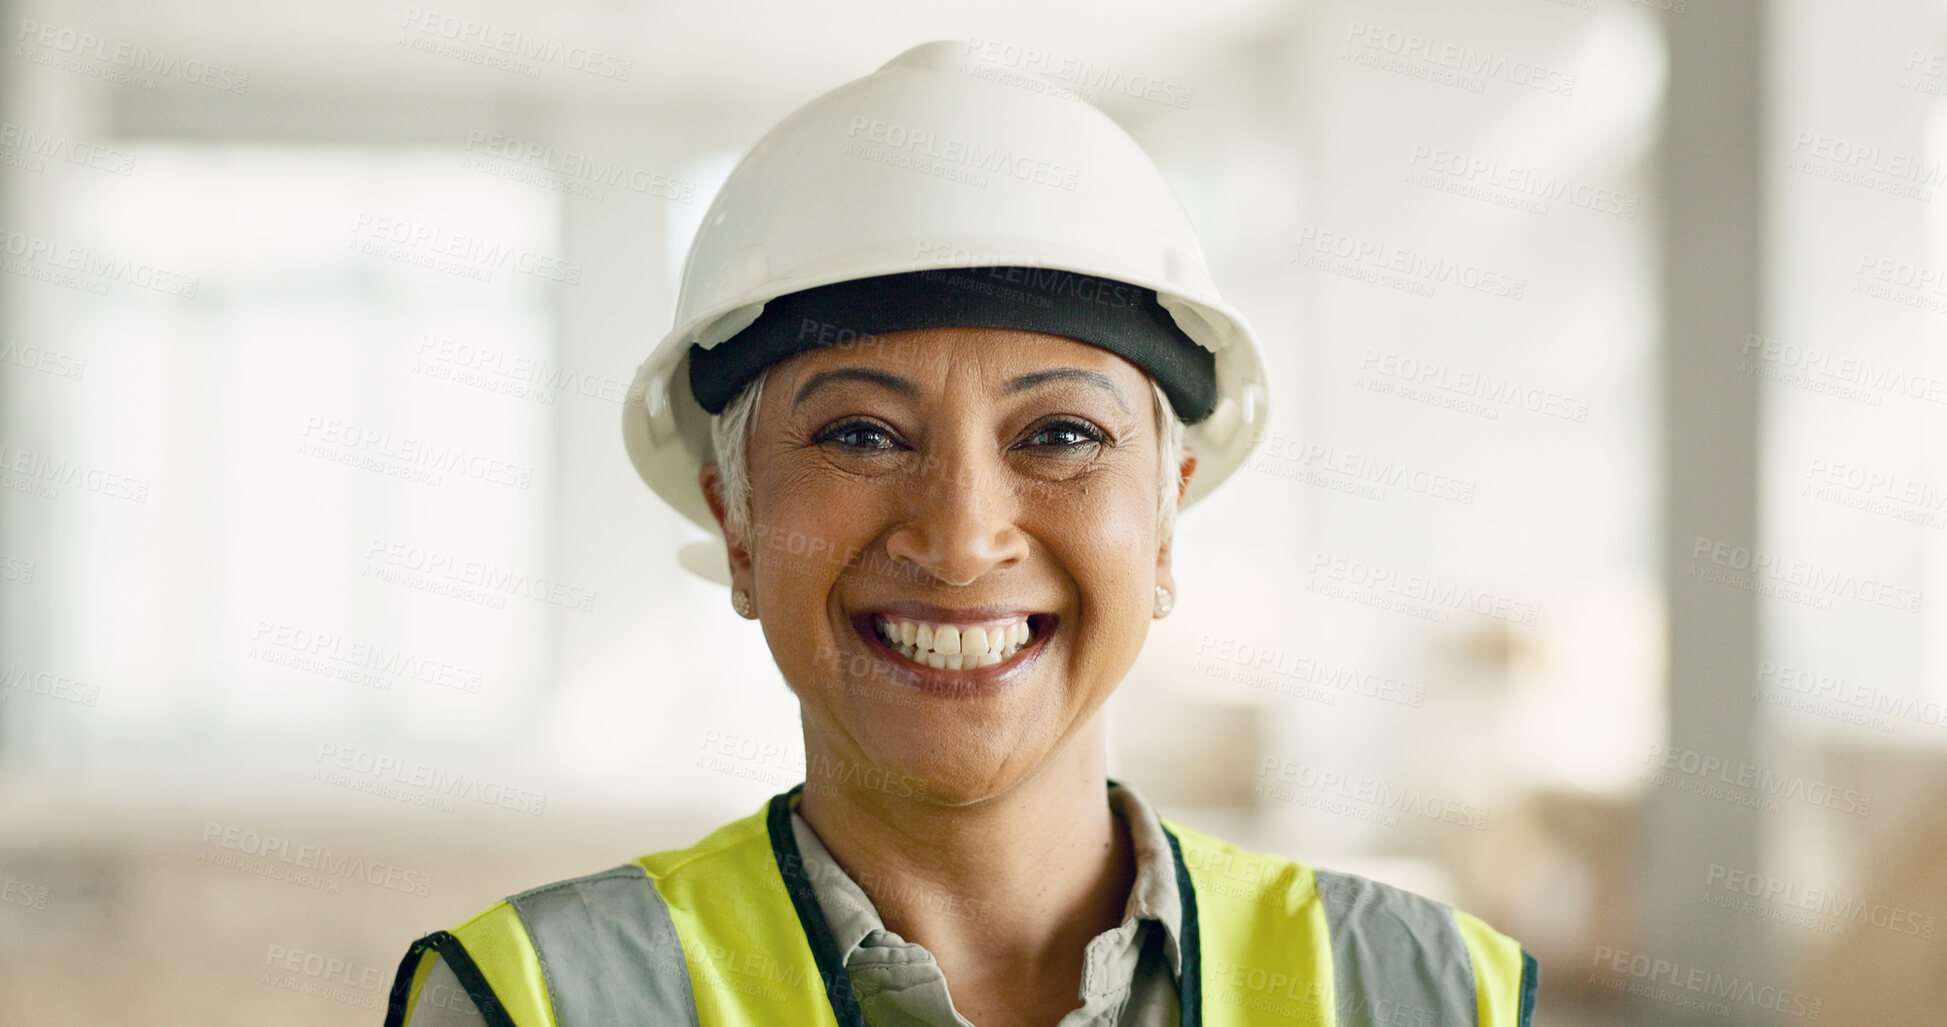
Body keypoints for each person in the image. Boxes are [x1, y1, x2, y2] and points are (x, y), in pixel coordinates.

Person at [384, 39, 1538, 1027]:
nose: (962, 537)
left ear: (1170, 519)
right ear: (737, 524)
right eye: (861, 435)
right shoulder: (539, 1002)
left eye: (1063, 435)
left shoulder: (1424, 992)